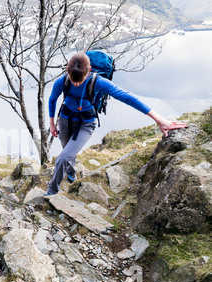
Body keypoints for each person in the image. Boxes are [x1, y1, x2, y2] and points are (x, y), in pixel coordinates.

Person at [46, 52, 188, 196]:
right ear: (67, 71)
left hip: (86, 123)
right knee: (68, 151)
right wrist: (52, 124)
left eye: (80, 80)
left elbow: (127, 97)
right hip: (65, 120)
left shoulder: (98, 82)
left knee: (62, 158)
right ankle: (71, 172)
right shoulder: (62, 81)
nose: (76, 83)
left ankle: (52, 190)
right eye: (73, 79)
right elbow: (52, 100)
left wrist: (160, 120)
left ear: (89, 71)